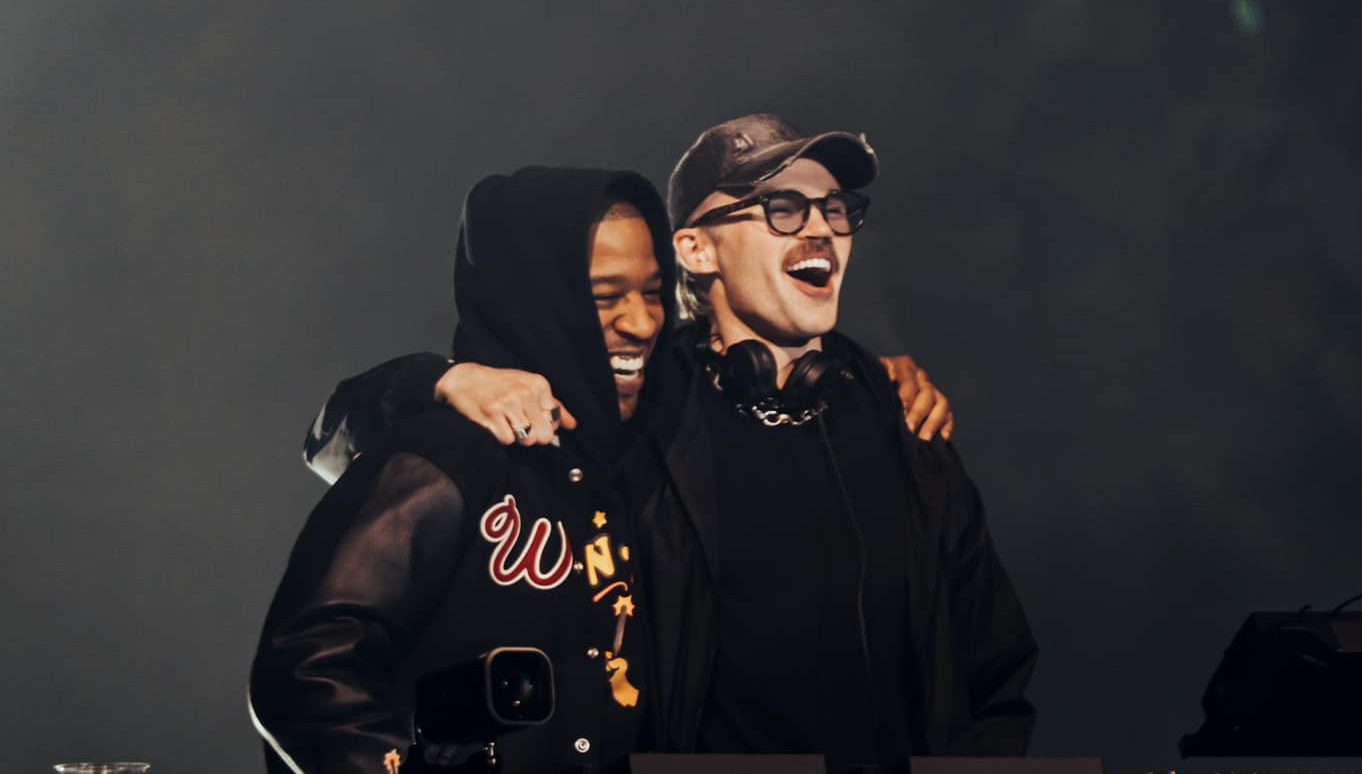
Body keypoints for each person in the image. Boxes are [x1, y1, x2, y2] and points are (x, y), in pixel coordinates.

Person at [300, 114, 1035, 770]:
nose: (820, 228)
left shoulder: (902, 418)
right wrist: (444, 378)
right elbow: (347, 441)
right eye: (782, 208)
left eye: (836, 208)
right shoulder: (642, 402)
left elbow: (995, 665)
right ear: (695, 249)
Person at [249, 167, 679, 774]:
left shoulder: (653, 449)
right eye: (606, 297)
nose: (643, 322)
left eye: (654, 292)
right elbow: (305, 675)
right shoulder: (441, 457)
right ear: (535, 301)